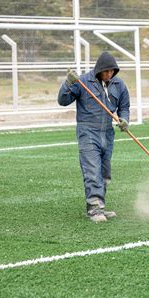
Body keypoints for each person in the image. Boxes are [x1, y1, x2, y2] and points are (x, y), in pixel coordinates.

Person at [58, 52, 130, 222]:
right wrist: (68, 83)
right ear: (99, 70)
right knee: (92, 170)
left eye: (112, 71)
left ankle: (100, 205)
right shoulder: (82, 82)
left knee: (105, 173)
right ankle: (94, 208)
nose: (109, 74)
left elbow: (124, 106)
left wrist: (124, 119)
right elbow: (62, 100)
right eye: (106, 71)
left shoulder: (119, 84)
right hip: (87, 132)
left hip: (107, 132)